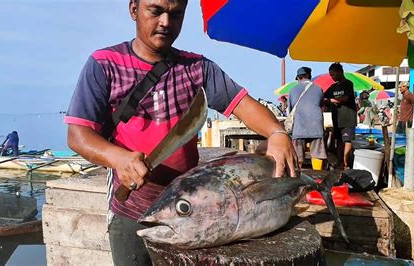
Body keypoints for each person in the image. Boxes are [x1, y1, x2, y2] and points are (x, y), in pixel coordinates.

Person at [64, 0, 298, 265]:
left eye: (176, 14)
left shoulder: (197, 68)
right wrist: (118, 159)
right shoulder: (104, 64)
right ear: (133, 10)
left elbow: (242, 104)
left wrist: (277, 134)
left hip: (191, 213)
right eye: (155, 11)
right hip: (132, 209)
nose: (165, 22)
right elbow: (78, 134)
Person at [288, 67, 327, 168]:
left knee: (297, 155)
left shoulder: (292, 90)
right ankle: (318, 175)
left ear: (298, 78)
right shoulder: (318, 88)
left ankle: (297, 176)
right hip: (316, 126)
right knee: (317, 153)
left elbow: (290, 110)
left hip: (299, 126)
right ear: (310, 76)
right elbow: (322, 106)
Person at [324, 63, 357, 170]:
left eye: (333, 74)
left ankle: (346, 163)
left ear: (340, 72)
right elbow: (323, 97)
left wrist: (332, 100)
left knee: (347, 140)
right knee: (338, 141)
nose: (332, 77)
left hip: (348, 118)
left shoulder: (348, 84)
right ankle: (339, 163)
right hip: (336, 119)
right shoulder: (333, 87)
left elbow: (345, 98)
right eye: (330, 75)